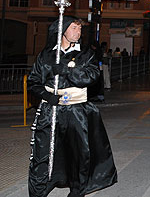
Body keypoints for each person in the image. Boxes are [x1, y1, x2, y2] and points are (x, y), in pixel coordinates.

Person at [27, 16, 117, 197]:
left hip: (75, 112)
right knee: (43, 152)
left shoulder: (86, 54)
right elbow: (33, 81)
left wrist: (68, 70)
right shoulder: (46, 55)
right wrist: (45, 95)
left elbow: (92, 76)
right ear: (62, 31)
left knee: (78, 154)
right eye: (74, 28)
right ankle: (39, 189)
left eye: (80, 29)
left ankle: (77, 191)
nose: (78, 32)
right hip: (49, 111)